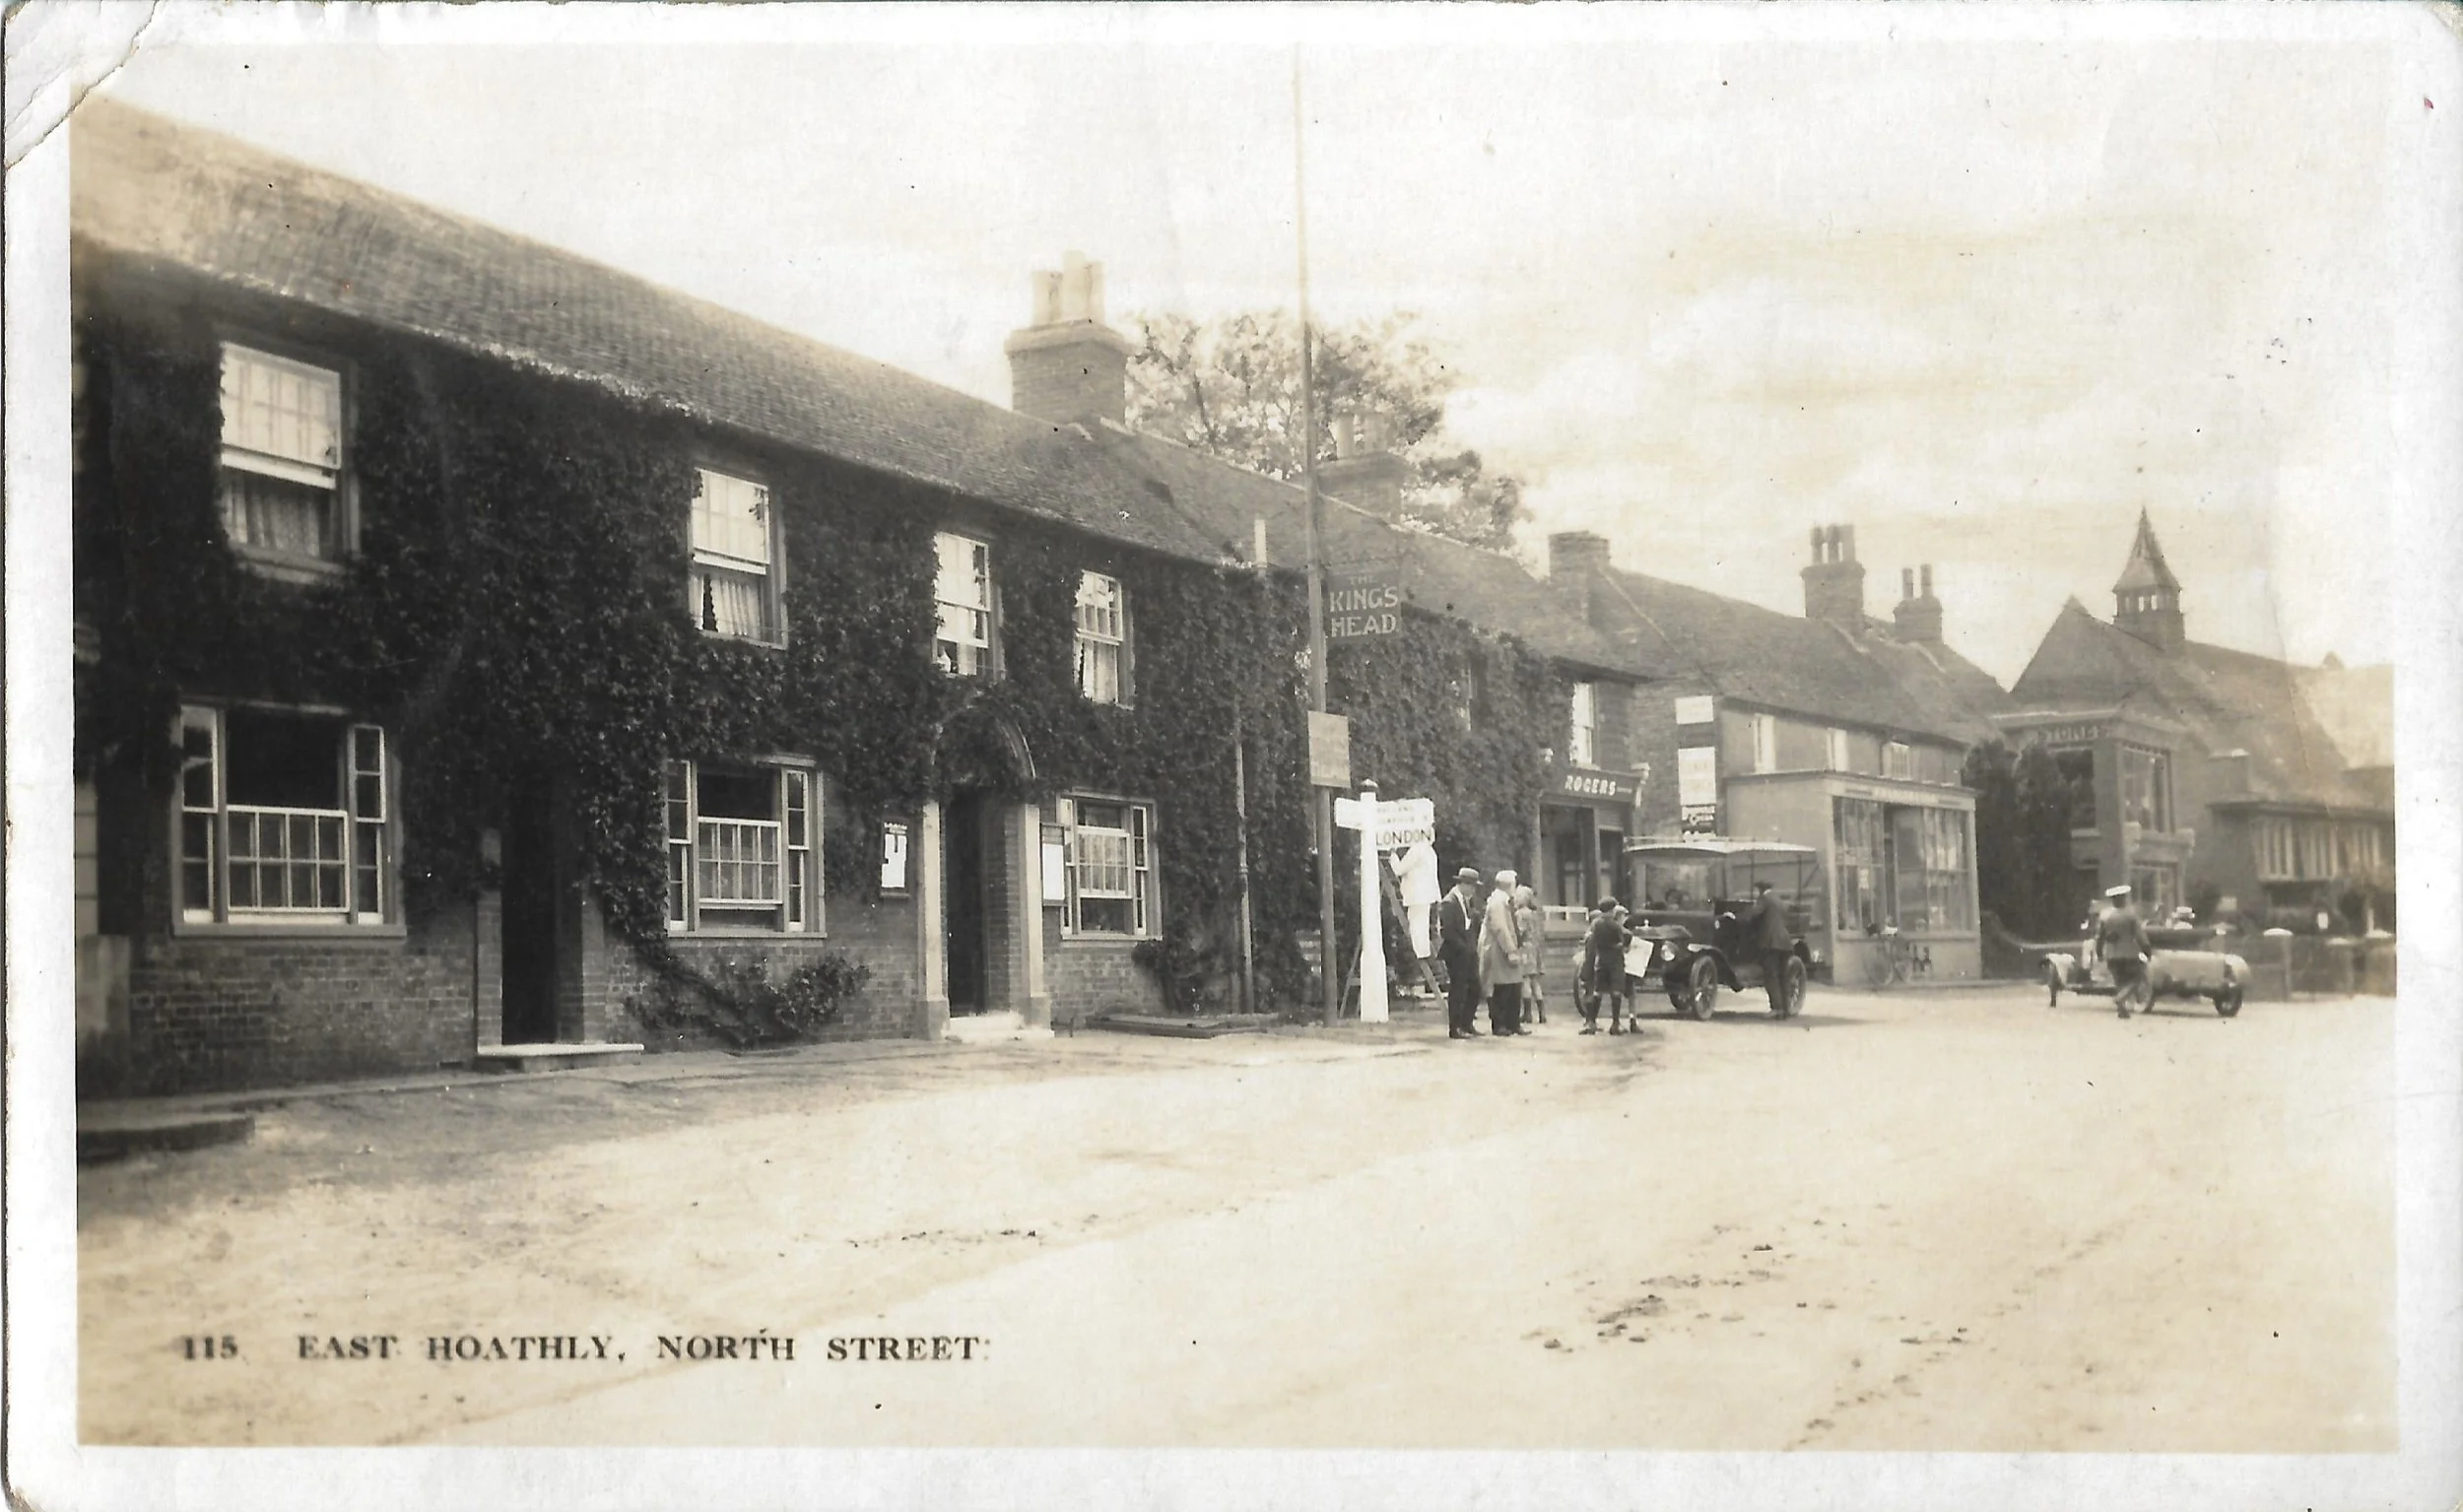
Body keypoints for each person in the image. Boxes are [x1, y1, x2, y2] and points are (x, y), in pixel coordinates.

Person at [1437, 867, 1486, 1040]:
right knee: (1458, 990)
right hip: (1456, 953)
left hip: (1469, 951)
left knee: (1475, 988)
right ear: (1462, 884)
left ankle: (1466, 1024)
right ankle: (1455, 1028)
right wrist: (1463, 947)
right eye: (1472, 886)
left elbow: (1471, 925)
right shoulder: (1449, 902)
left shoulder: (1466, 901)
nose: (1474, 890)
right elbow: (1447, 931)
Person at [1479, 870, 1528, 1036]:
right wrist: (1510, 950)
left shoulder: (1504, 900)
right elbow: (1500, 927)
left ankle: (1513, 1023)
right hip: (1498, 949)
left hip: (1506, 948)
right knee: (1502, 988)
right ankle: (1500, 1025)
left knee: (1514, 987)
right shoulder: (1497, 902)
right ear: (1509, 884)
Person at [2097, 883, 2153, 1018]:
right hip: (2129, 953)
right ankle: (2120, 999)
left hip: (2111, 954)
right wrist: (2146, 949)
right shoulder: (2130, 916)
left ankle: (2122, 1010)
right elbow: (2140, 936)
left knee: (2120, 981)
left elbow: (2100, 937)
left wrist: (2099, 952)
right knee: (2137, 978)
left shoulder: (2105, 916)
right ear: (2123, 899)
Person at [1579, 896, 1630, 1035]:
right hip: (1615, 961)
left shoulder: (1596, 924)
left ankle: (1591, 1022)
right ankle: (1615, 1024)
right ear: (1612, 910)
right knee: (1616, 992)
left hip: (1600, 961)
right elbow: (1624, 939)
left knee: (1598, 991)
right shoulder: (1615, 925)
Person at [1746, 880, 1797, 1014]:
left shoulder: (1764, 899)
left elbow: (1755, 913)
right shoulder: (1778, 900)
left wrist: (1736, 916)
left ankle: (1776, 1008)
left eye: (1757, 889)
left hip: (1771, 942)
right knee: (1782, 975)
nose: (1757, 892)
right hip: (1784, 942)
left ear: (1761, 889)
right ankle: (1786, 1009)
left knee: (1770, 975)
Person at [1511, 883, 1548, 1025]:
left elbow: (1519, 932)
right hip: (1535, 949)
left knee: (1525, 981)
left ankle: (1527, 1013)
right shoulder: (1534, 914)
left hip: (1524, 949)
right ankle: (1542, 1013)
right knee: (1535, 982)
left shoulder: (1520, 914)